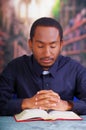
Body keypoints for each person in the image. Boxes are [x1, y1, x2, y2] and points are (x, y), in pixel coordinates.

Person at [0, 17, 86, 116]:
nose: (47, 54)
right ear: (30, 44)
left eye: (53, 46)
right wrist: (27, 103)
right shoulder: (15, 67)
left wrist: (67, 105)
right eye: (40, 46)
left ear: (61, 45)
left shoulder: (75, 69)